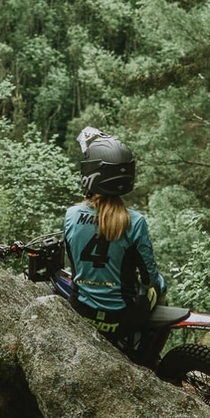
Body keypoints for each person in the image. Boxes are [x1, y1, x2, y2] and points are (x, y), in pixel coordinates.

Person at [63, 126, 166, 351]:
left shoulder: (71, 215)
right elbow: (149, 278)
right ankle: (146, 358)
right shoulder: (135, 222)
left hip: (81, 311)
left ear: (89, 174)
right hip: (121, 320)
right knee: (160, 286)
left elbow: (73, 262)